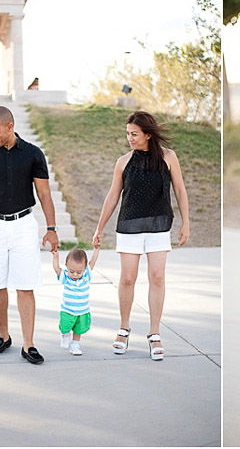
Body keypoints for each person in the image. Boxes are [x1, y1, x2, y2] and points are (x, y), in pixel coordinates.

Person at [92, 111, 189, 361]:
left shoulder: (169, 158)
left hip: (159, 225)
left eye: (134, 134)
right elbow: (113, 195)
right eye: (127, 134)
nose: (130, 138)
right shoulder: (123, 162)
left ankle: (154, 334)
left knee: (157, 277)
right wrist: (99, 227)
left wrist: (186, 222)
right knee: (127, 279)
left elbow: (179, 188)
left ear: (148, 134)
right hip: (129, 226)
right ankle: (123, 329)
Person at [0, 106, 60, 365]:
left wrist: (51, 229)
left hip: (23, 225)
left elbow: (44, 195)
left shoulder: (32, 154)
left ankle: (28, 344)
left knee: (25, 284)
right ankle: (3, 336)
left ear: (10, 126)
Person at [51, 246, 100, 356]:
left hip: (82, 311)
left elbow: (93, 262)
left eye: (79, 272)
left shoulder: (86, 275)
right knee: (65, 326)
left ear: (84, 269)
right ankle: (65, 334)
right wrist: (55, 257)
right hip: (67, 310)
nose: (74, 275)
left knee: (79, 329)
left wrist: (96, 250)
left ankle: (75, 344)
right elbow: (57, 269)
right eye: (71, 271)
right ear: (67, 267)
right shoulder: (66, 277)